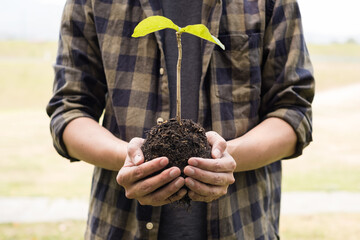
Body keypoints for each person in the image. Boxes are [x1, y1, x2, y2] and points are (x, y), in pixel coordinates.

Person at [46, 0, 314, 239]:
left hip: (242, 225)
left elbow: (293, 110)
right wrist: (134, 161)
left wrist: (225, 158)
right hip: (120, 225)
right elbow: (69, 110)